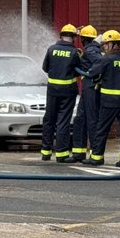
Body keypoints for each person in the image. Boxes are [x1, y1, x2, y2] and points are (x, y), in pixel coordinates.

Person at [86, 29, 120, 167]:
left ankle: (96, 157)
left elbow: (92, 72)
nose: (104, 47)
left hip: (110, 100)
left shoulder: (106, 59)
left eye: (106, 44)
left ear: (113, 44)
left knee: (102, 128)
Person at [41, 23, 80, 163]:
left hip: (52, 90)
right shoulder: (75, 52)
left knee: (49, 119)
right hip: (68, 91)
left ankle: (45, 152)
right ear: (74, 38)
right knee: (63, 121)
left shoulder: (51, 49)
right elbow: (79, 71)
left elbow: (45, 68)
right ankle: (61, 154)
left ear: (61, 35)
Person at [67, 25, 102, 164]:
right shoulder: (89, 49)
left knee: (92, 120)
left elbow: (100, 61)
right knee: (80, 119)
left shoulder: (91, 49)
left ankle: (96, 154)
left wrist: (93, 73)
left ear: (84, 39)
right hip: (87, 88)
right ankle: (78, 153)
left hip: (91, 88)